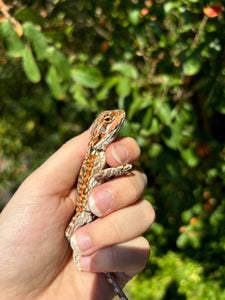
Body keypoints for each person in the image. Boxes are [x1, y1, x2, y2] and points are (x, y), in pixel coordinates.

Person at [0, 128, 155, 300]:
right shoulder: (94, 154)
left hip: (88, 220)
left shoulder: (99, 153)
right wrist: (117, 171)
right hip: (83, 212)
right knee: (72, 233)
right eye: (107, 122)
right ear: (99, 134)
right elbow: (98, 174)